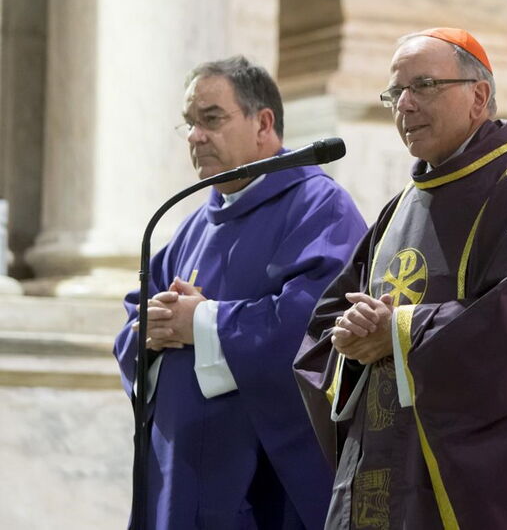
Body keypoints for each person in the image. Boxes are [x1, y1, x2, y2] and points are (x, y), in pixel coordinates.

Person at [293, 28, 507, 529]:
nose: (404, 105)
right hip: (382, 471)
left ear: (478, 96)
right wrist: (350, 341)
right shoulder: (396, 212)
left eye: (423, 85)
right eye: (394, 92)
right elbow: (324, 332)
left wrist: (399, 333)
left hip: (476, 491)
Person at [113, 55, 367, 529]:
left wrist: (203, 322)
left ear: (263, 123)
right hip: (179, 476)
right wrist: (151, 329)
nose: (195, 136)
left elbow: (317, 324)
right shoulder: (190, 226)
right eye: (189, 124)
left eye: (211, 119)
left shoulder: (318, 206)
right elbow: (133, 323)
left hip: (263, 480)